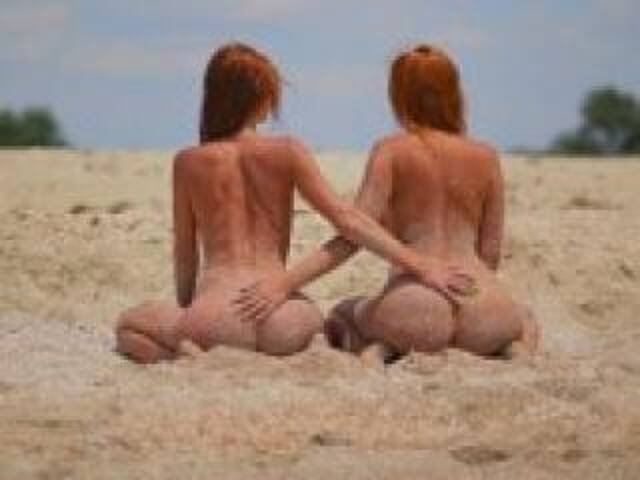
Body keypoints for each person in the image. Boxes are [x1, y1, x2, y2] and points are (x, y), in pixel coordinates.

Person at [115, 43, 472, 363]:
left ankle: (181, 354)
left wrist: (191, 311)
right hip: (285, 314)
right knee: (332, 324)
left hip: (218, 314)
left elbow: (185, 253)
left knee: (129, 327)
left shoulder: (188, 161)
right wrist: (419, 265)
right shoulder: (287, 151)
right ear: (263, 99)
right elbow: (348, 221)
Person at [235, 44, 539, 361]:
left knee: (346, 311)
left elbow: (353, 233)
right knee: (523, 319)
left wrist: (286, 283)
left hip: (414, 303)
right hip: (484, 303)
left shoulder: (391, 150)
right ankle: (509, 348)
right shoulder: (486, 156)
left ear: (399, 96)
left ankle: (384, 346)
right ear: (454, 94)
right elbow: (490, 253)